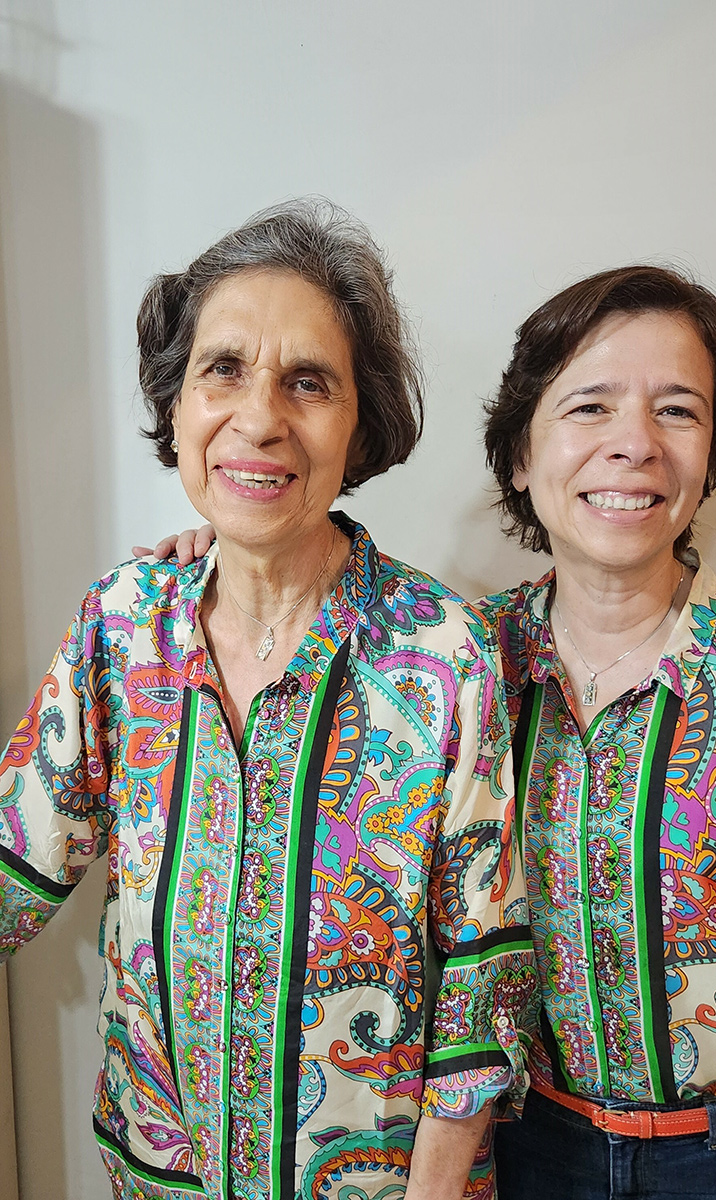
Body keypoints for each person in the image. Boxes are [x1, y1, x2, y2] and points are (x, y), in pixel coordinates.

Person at [146, 263, 716, 1199]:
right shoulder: (453, 662)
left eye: (678, 411)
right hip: (516, 1154)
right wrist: (217, 552)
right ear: (518, 456)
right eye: (588, 408)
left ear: (712, 456)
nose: (635, 446)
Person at [0, 200, 536, 1200]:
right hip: (161, 1178)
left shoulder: (440, 652)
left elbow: (484, 983)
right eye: (223, 369)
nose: (259, 418)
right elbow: (16, 860)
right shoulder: (122, 625)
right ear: (176, 402)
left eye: (308, 383)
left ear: (359, 423)